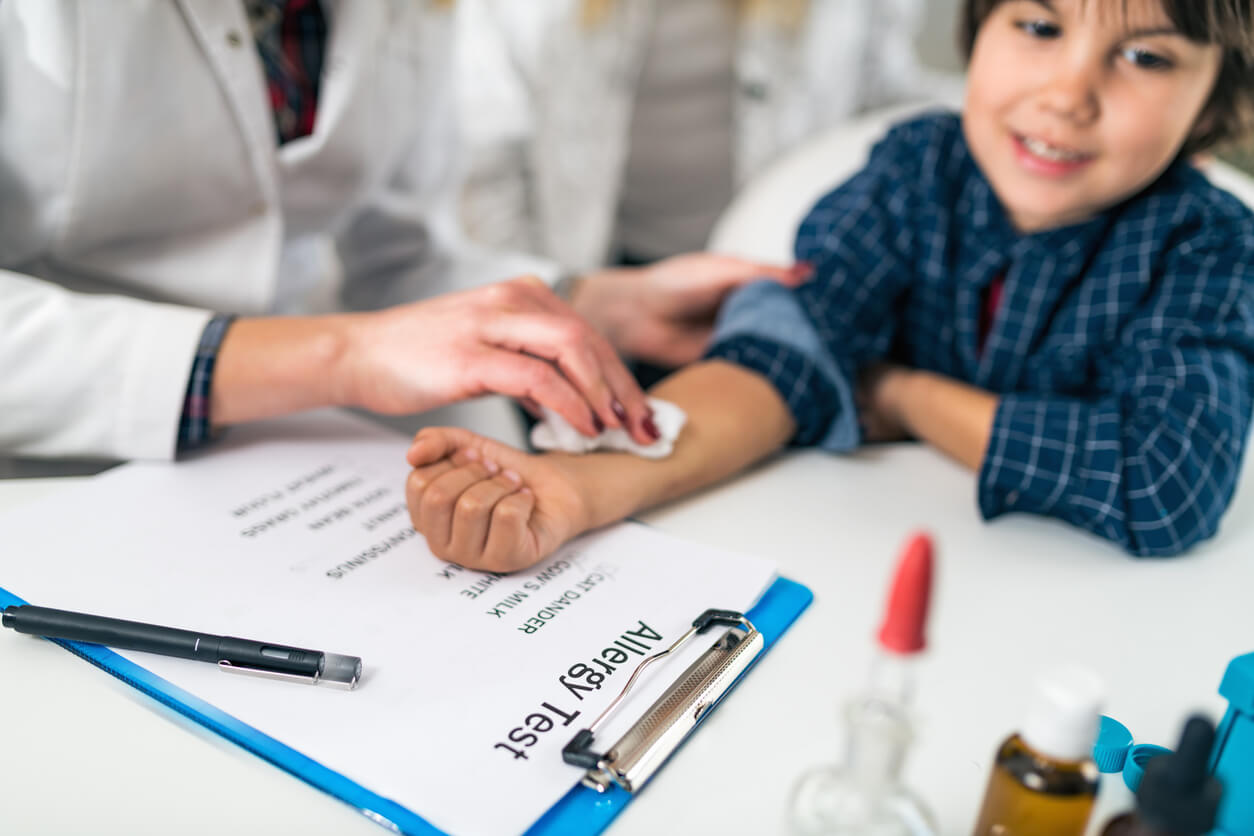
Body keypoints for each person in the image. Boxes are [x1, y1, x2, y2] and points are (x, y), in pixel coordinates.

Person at [405, 0, 1254, 567]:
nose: (1069, 94)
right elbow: (782, 353)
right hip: (864, 561)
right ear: (976, 31)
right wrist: (588, 485)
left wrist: (906, 395)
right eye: (1037, 26)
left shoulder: (1210, 246)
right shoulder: (911, 170)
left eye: (1145, 56)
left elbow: (1162, 484)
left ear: (1217, 107)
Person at [0, 0, 802, 463]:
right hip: (49, 466)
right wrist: (341, 355)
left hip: (286, 457)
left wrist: (598, 303)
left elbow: (398, 259)